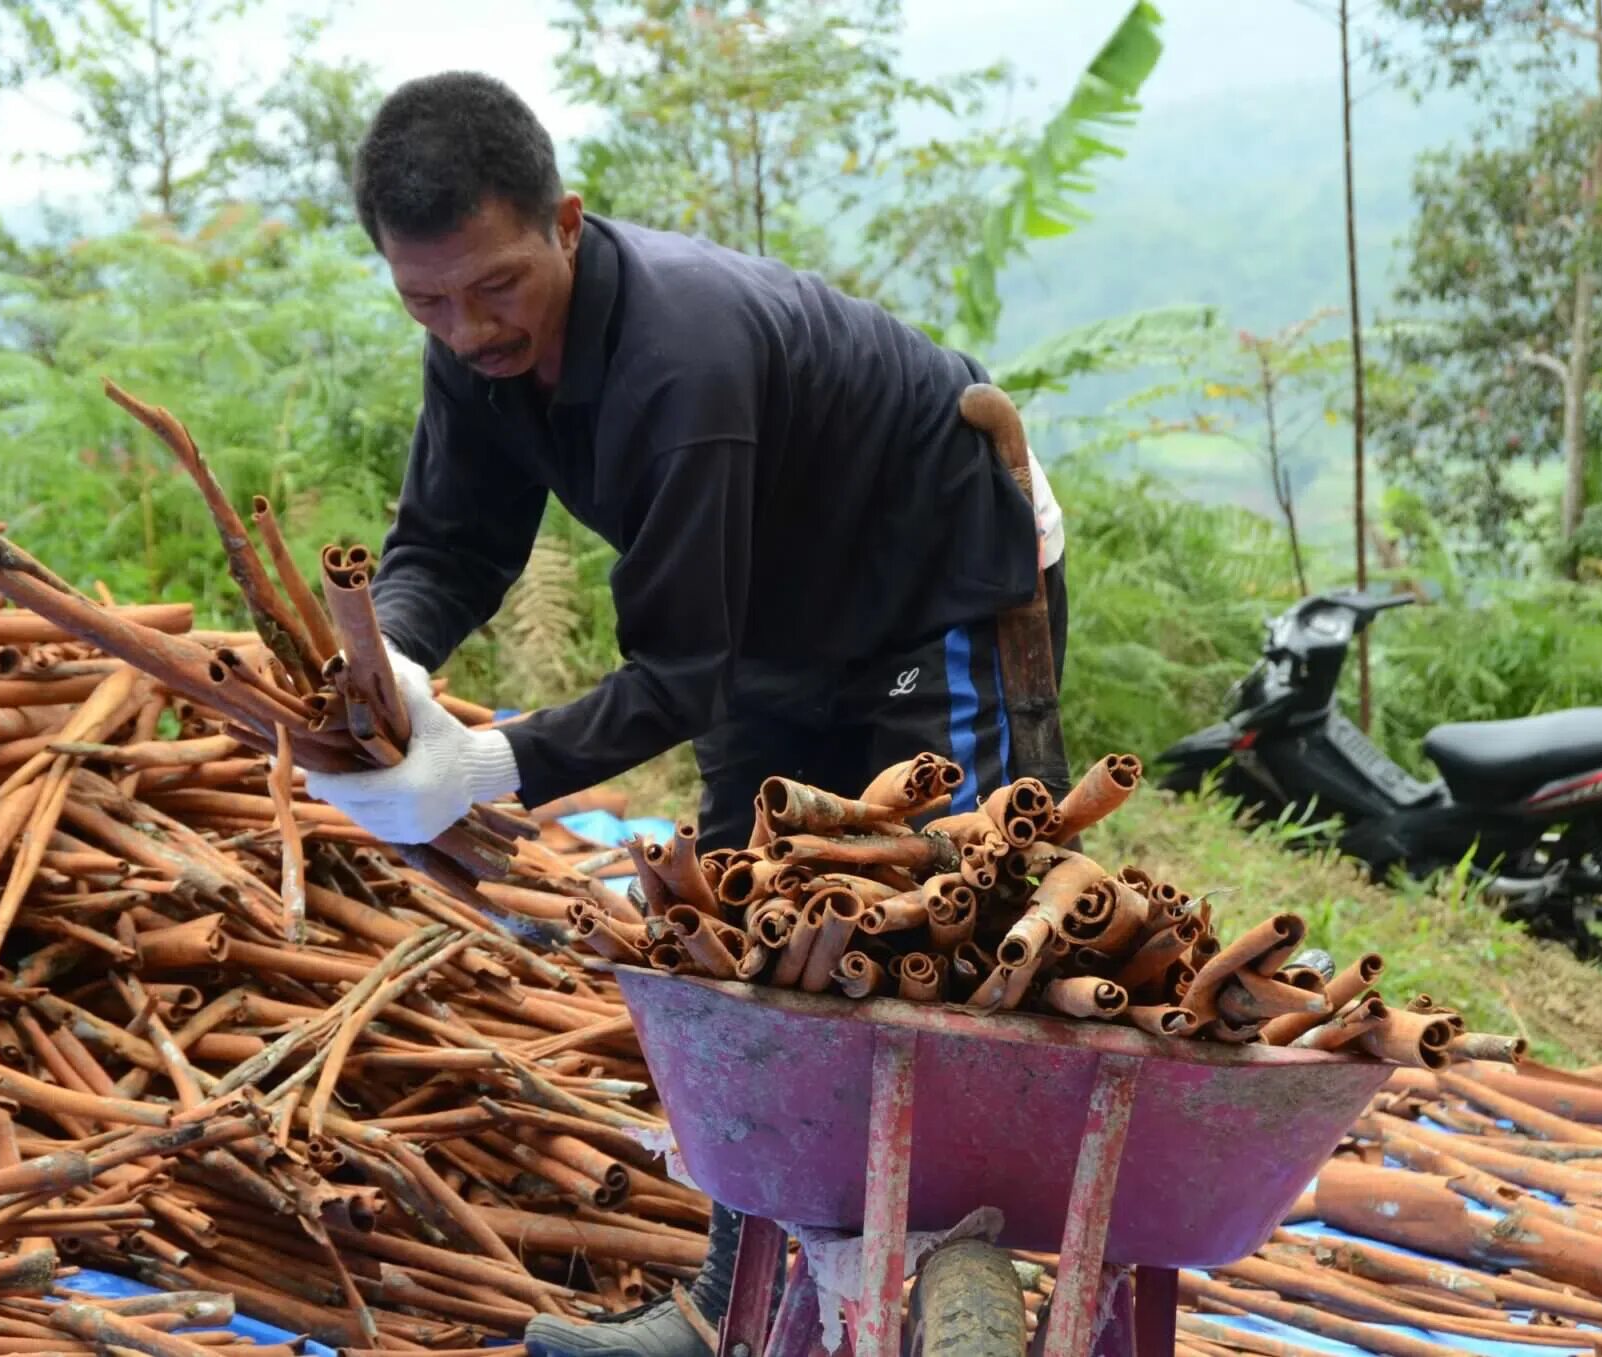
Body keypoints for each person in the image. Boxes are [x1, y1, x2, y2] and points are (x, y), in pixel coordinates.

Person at [310, 71, 1070, 1357]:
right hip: (771, 610)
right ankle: (734, 1304)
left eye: (493, 285)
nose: (466, 326)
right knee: (733, 922)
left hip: (926, 596)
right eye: (424, 300)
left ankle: (955, 1314)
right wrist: (395, 659)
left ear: (565, 220)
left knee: (942, 919)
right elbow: (447, 536)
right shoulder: (473, 343)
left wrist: (489, 767)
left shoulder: (679, 356)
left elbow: (676, 675)